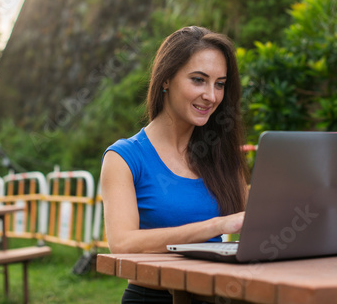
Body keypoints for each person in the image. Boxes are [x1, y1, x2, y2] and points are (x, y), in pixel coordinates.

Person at [100, 26, 249, 303]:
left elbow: (252, 220)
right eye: (198, 80)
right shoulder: (124, 157)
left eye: (219, 84)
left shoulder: (220, 154)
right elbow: (122, 244)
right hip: (154, 297)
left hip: (220, 294)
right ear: (166, 79)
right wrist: (214, 226)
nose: (212, 96)